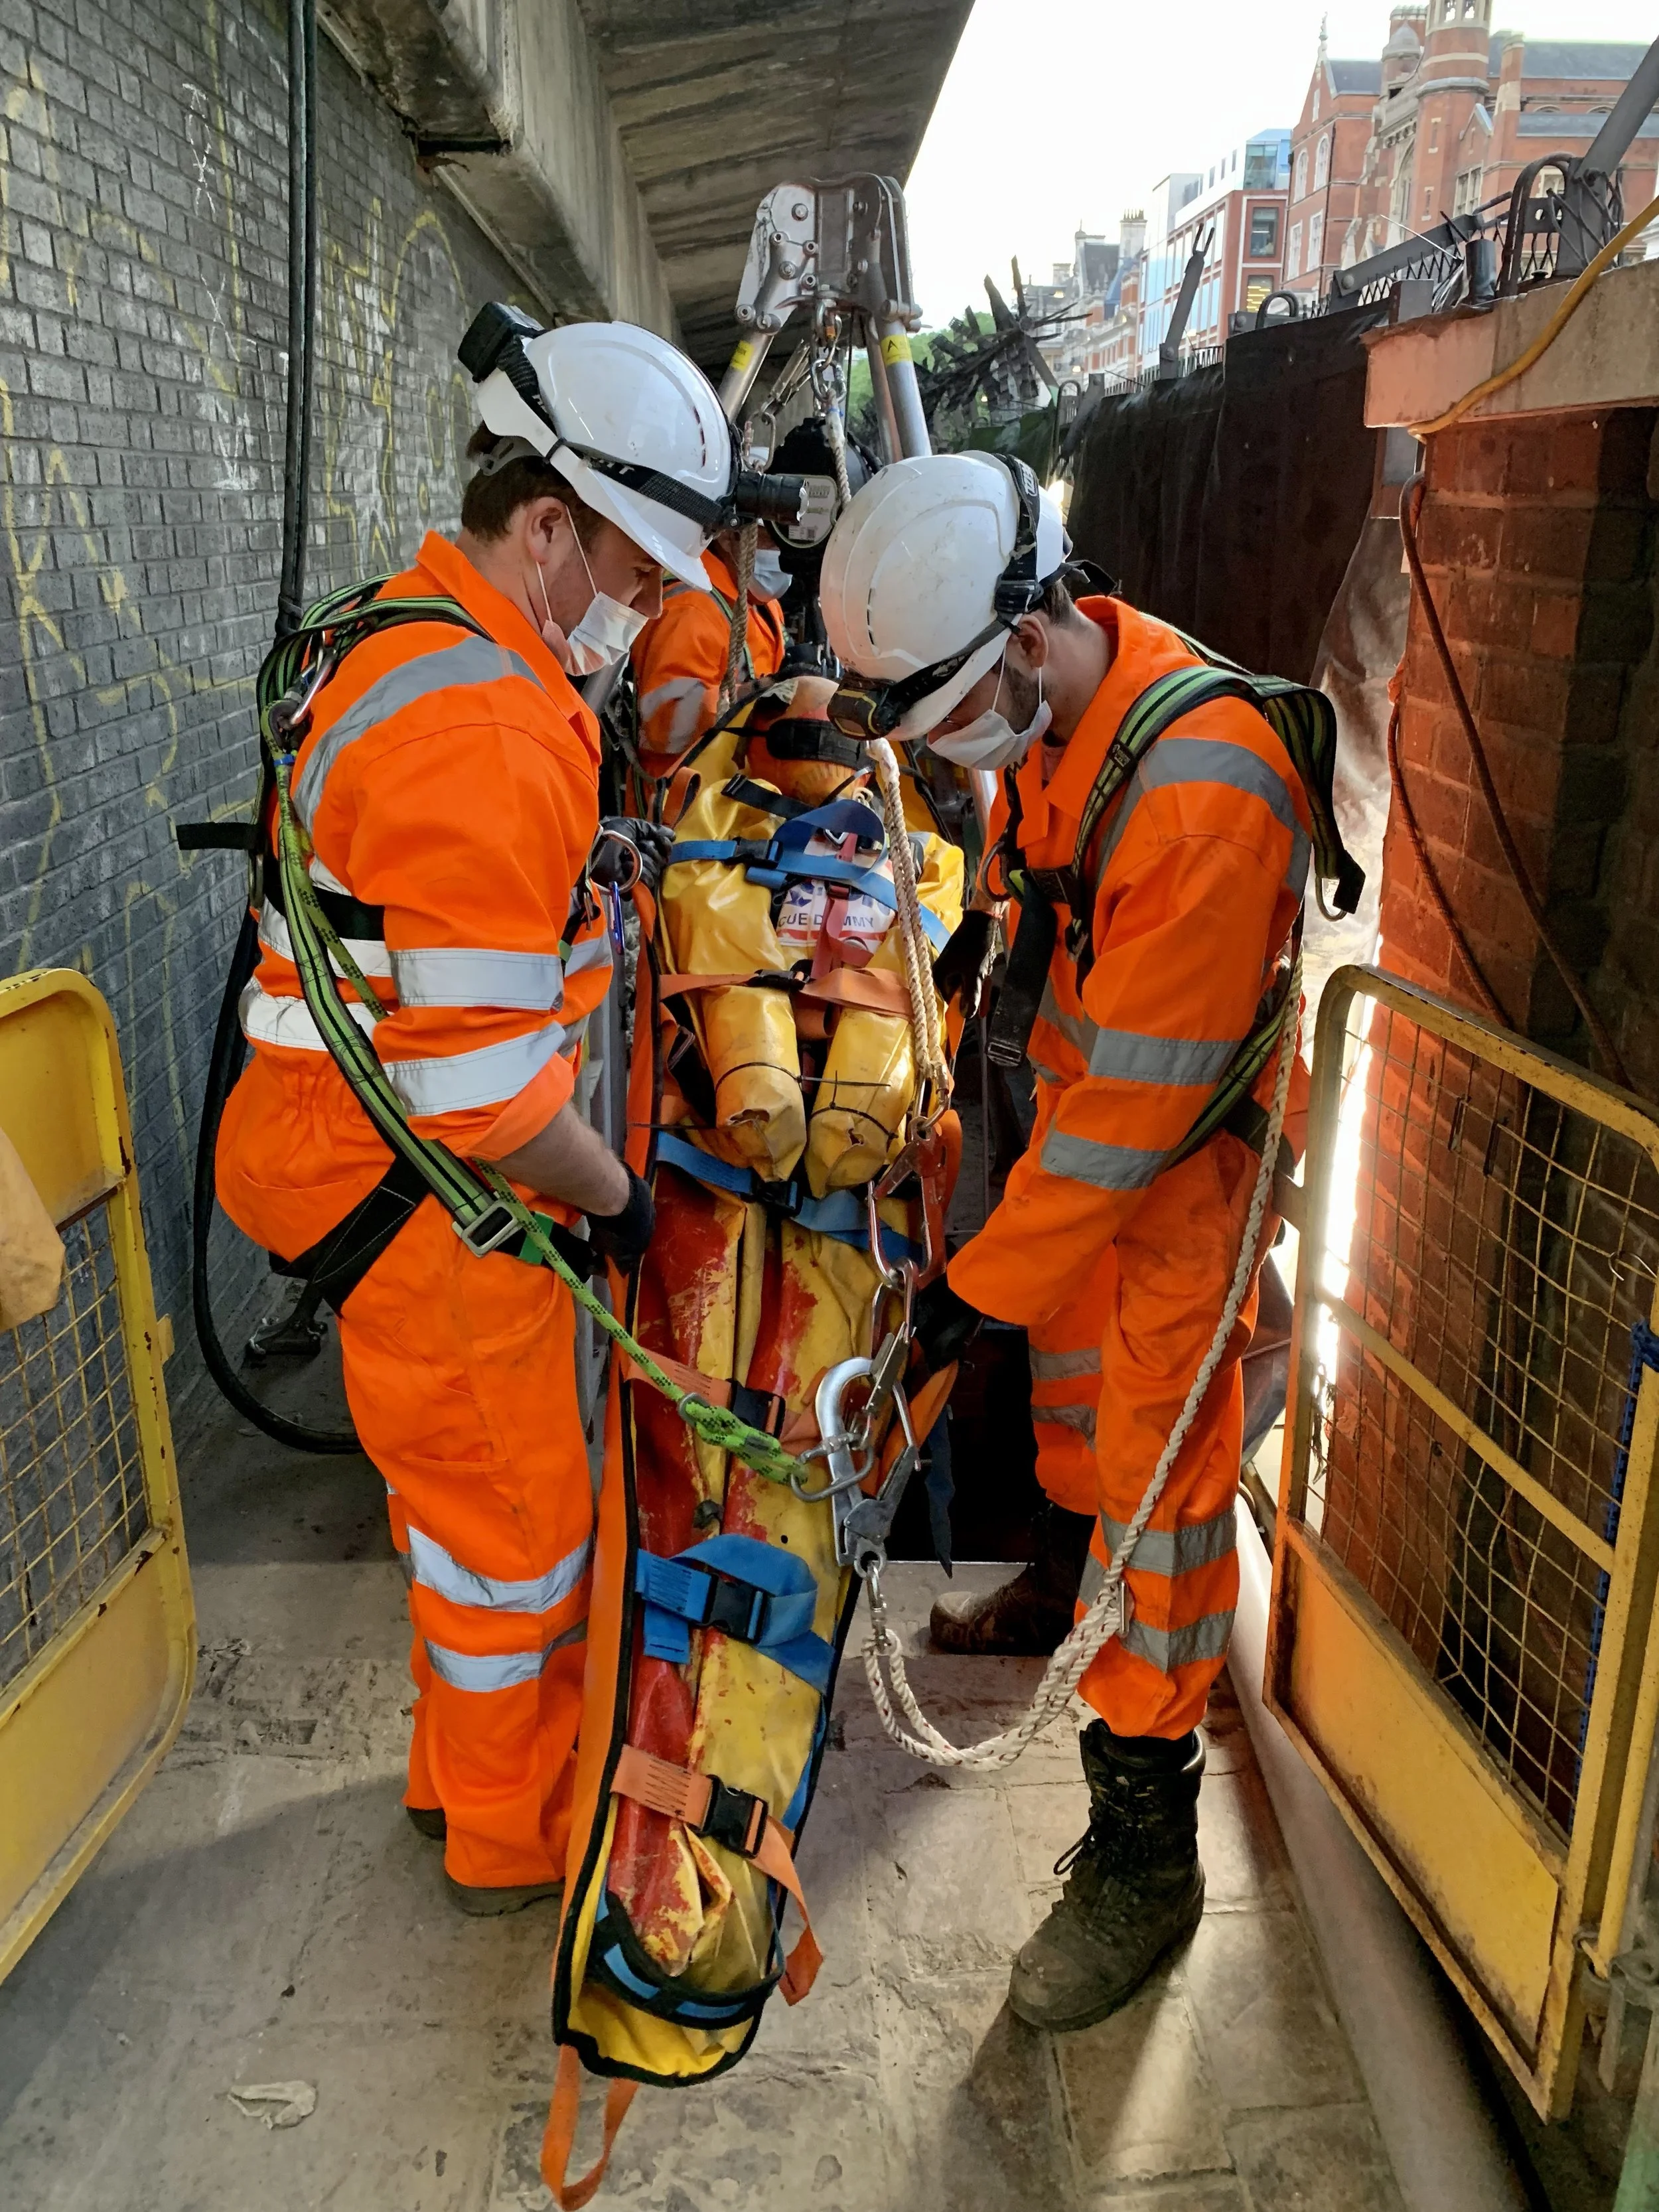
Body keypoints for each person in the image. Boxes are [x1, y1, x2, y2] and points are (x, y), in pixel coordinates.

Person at [216, 314, 731, 1915]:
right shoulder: (493, 725)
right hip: (421, 1195)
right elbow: (487, 1097)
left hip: (340, 1154)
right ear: (547, 523)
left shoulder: (404, 632)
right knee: (521, 1537)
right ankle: (515, 1846)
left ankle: (457, 1782)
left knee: (457, 1522)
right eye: (633, 575)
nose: (641, 616)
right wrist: (619, 1201)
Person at [818, 452, 1311, 2030]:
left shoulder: (1208, 782)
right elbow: (1050, 906)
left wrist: (969, 1291)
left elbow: (1133, 1125)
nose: (951, 753)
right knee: (1080, 1430)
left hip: (1168, 1188)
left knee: (1160, 1499)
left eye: (950, 714)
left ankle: (1145, 1837)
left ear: (1033, 633)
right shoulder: (1067, 715)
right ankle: (1060, 1580)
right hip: (1091, 1158)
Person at [629, 524, 788, 774]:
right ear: (726, 537)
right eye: (770, 538)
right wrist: (761, 696)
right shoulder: (690, 607)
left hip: (739, 786)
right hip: (680, 802)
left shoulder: (760, 602)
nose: (782, 550)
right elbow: (665, 723)